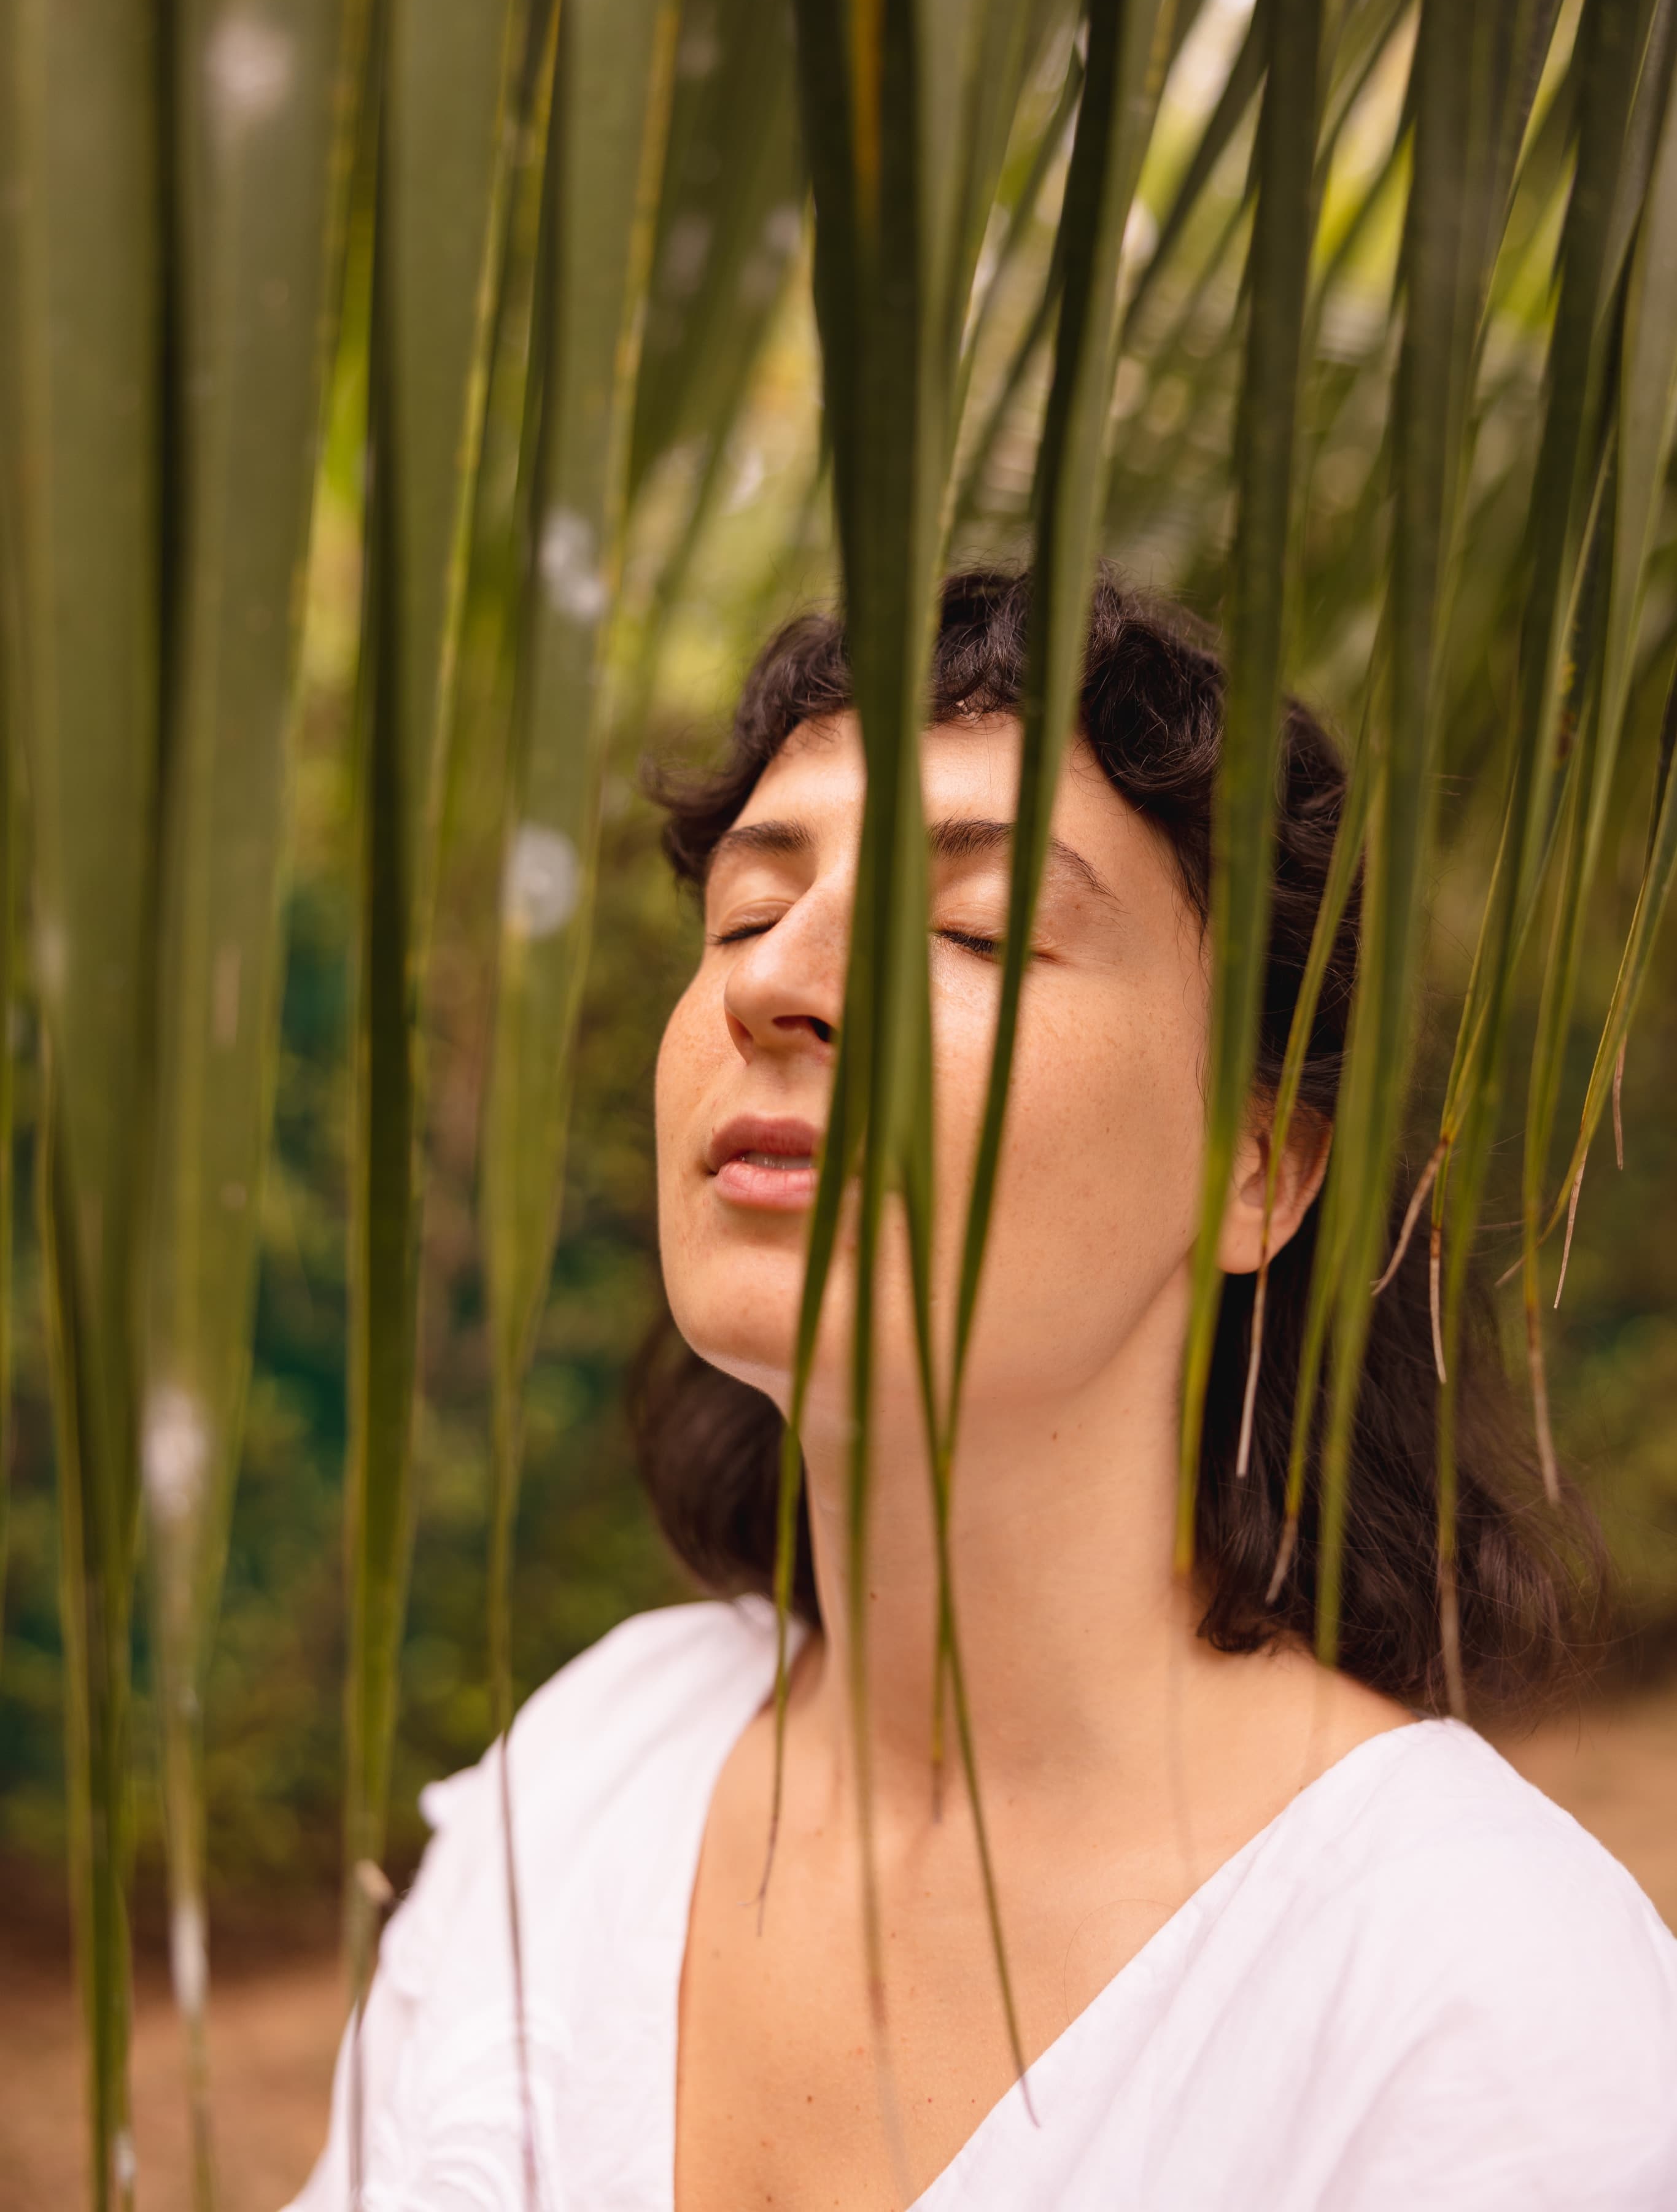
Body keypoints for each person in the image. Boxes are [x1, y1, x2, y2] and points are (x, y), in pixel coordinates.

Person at [290, 568, 1677, 2211]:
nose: (773, 981)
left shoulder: (1483, 2007)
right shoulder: (589, 1772)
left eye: (970, 930)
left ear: (1256, 1169)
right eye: (744, 912)